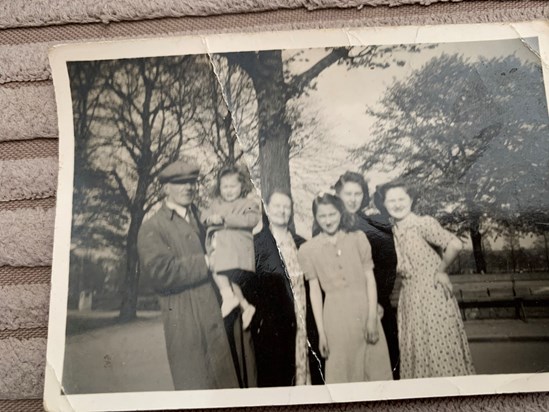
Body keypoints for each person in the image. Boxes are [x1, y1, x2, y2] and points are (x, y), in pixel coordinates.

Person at [137, 160, 239, 390]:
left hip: (217, 318)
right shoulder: (153, 227)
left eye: (191, 182)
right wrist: (205, 262)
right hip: (186, 323)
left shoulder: (204, 219)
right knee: (196, 389)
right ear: (165, 188)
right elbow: (159, 273)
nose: (188, 187)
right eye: (180, 183)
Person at [376, 180, 475, 379]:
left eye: (401, 199)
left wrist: (441, 270)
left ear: (411, 200)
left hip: (432, 295)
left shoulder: (422, 223)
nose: (397, 204)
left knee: (438, 350)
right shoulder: (392, 231)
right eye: (391, 200)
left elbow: (455, 244)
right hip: (410, 298)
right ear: (384, 204)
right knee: (418, 352)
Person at [298, 192, 393, 384]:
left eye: (332, 214)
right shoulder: (308, 250)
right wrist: (322, 333)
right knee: (343, 374)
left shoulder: (358, 239)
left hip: (364, 311)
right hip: (335, 317)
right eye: (322, 216)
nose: (328, 220)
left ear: (340, 213)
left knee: (376, 373)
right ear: (316, 218)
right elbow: (315, 292)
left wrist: (372, 318)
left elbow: (370, 280)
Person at [334, 171, 400, 379]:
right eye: (348, 194)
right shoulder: (327, 223)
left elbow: (388, 265)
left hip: (376, 304)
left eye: (358, 194)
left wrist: (378, 301)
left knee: (381, 369)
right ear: (338, 195)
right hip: (343, 306)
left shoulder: (376, 224)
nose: (353, 199)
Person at [201, 164, 260, 329]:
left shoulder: (248, 203)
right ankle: (245, 306)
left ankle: (227, 297)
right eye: (224, 186)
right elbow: (204, 215)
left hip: (236, 249)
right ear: (219, 188)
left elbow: (252, 219)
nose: (229, 190)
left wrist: (225, 219)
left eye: (233, 186)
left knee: (216, 267)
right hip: (223, 249)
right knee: (230, 279)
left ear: (242, 186)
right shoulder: (215, 204)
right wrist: (209, 219)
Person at [265, 190, 311, 385]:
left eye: (286, 207)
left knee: (301, 356)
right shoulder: (260, 243)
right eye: (277, 206)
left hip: (300, 312)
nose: (281, 211)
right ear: (266, 208)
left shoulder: (300, 242)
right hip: (274, 315)